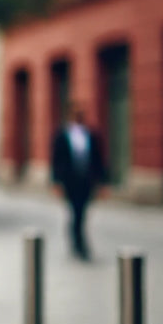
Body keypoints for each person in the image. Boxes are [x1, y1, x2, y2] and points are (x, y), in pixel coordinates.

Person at [51, 104, 107, 261]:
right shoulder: (62, 135)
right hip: (70, 181)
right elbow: (56, 160)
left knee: (82, 213)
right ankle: (78, 244)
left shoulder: (91, 134)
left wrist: (102, 182)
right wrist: (56, 182)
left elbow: (98, 159)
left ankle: (79, 242)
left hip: (86, 181)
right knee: (75, 212)